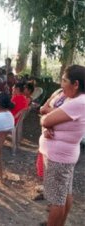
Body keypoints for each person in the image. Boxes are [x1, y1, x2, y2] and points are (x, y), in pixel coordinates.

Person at [39, 65, 85, 226]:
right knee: (65, 193)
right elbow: (45, 115)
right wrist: (47, 124)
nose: (61, 84)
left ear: (76, 84)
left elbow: (45, 118)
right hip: (65, 155)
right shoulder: (75, 100)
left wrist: (46, 122)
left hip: (58, 158)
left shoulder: (78, 102)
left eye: (64, 80)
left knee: (56, 199)